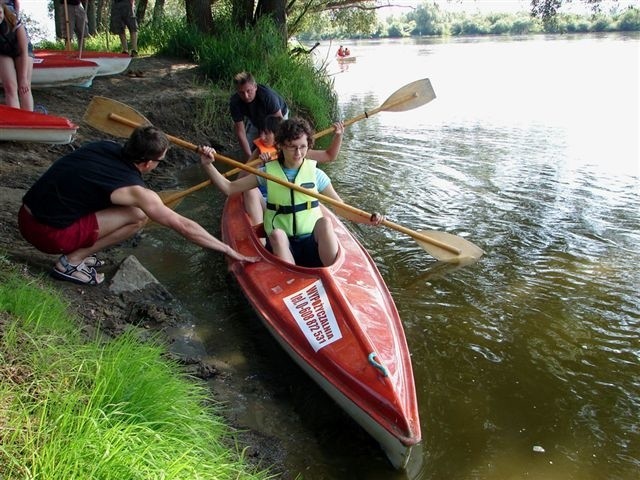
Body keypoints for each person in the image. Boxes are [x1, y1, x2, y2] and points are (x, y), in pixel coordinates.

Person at [18, 126, 259, 286]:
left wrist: (206, 162)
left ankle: (76, 255)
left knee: (111, 203)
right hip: (47, 234)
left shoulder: (101, 146)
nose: (160, 164)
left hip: (25, 215)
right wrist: (228, 249)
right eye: (160, 161)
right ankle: (70, 263)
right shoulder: (134, 190)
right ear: (146, 163)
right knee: (137, 217)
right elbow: (182, 225)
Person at [199, 118, 383, 268]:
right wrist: (208, 165)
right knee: (278, 235)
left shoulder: (317, 174)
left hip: (311, 242)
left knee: (326, 222)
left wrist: (369, 219)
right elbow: (229, 188)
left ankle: (333, 273)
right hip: (282, 245)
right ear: (280, 146)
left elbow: (341, 208)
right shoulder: (266, 173)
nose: (298, 152)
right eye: (291, 146)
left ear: (308, 145)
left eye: (302, 146)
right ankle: (292, 277)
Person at [242, 116, 346, 226]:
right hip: (264, 200)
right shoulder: (259, 152)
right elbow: (243, 177)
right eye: (261, 132)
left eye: (267, 133)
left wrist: (338, 136)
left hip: (290, 204)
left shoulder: (299, 152)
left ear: (277, 135)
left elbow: (329, 156)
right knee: (250, 191)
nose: (262, 137)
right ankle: (259, 234)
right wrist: (260, 164)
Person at [229, 71, 288, 160]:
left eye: (249, 91)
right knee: (251, 147)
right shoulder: (235, 102)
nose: (246, 96)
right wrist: (250, 159)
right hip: (256, 119)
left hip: (277, 117)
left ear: (255, 87)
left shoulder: (267, 96)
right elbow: (240, 132)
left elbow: (280, 123)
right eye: (241, 92)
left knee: (278, 145)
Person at [0, 3, 33, 110]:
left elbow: (24, 51)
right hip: (4, 51)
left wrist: (23, 78)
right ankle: (15, 120)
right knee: (10, 88)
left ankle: (29, 120)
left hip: (21, 51)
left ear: (3, 11)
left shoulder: (14, 22)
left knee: (24, 87)